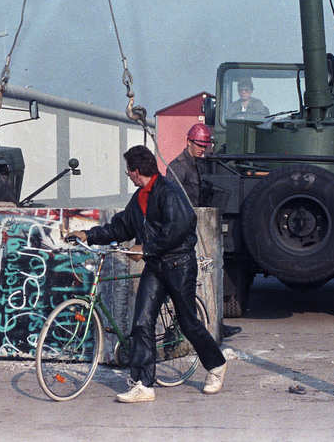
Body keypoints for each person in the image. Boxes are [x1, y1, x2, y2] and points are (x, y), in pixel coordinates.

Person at [67, 145, 227, 403]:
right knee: (141, 322)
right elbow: (121, 227)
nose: (128, 175)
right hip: (155, 266)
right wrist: (90, 235)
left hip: (178, 265)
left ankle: (216, 365)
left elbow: (181, 226)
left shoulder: (168, 193)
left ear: (137, 170)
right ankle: (143, 384)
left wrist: (147, 247)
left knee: (188, 322)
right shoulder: (140, 197)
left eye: (129, 170)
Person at [167, 124, 242, 339]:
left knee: (213, 276)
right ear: (188, 142)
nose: (203, 149)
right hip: (187, 230)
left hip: (202, 227)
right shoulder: (177, 167)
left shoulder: (198, 165)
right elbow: (173, 201)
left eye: (205, 145)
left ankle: (216, 324)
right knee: (195, 280)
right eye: (199, 145)